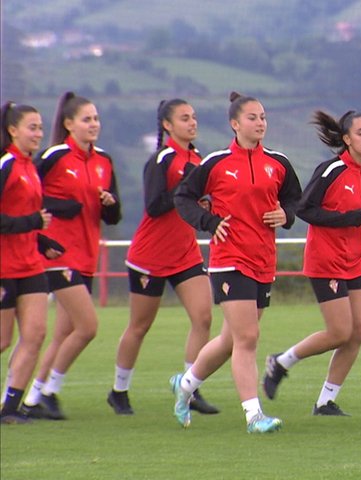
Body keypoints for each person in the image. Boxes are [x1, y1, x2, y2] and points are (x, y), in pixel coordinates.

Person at [170, 92, 301, 433]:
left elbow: (295, 199)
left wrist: (285, 213)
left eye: (263, 117)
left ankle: (183, 387)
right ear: (235, 123)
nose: (260, 123)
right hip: (230, 260)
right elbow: (182, 196)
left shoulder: (278, 163)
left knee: (231, 341)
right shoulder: (216, 163)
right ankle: (254, 415)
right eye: (252, 117)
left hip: (263, 260)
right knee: (248, 337)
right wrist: (209, 222)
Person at [107, 99, 217, 416]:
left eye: (194, 117)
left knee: (204, 318)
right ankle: (119, 391)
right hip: (150, 257)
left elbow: (192, 203)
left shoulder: (197, 158)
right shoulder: (162, 159)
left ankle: (190, 388)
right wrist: (188, 192)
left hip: (184, 254)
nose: (192, 122)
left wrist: (203, 205)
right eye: (184, 118)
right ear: (167, 125)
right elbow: (155, 205)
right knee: (140, 326)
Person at [263, 110, 361, 416]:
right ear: (346, 139)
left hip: (353, 262)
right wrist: (344, 219)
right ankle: (281, 362)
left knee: (359, 330)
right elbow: (304, 209)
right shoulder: (332, 170)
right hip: (326, 261)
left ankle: (326, 401)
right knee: (340, 332)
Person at [21, 92, 121, 420]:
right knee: (88, 326)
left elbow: (113, 216)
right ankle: (49, 391)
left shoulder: (104, 161)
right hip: (58, 254)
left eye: (96, 119)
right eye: (86, 119)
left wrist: (110, 203)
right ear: (68, 124)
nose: (94, 125)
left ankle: (34, 399)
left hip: (87, 255)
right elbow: (26, 193)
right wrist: (60, 208)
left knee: (65, 333)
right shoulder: (54, 156)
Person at [0, 102, 63, 424]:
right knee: (3, 339)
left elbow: (29, 220)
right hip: (3, 266)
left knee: (36, 334)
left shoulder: (30, 168)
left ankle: (9, 408)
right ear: (13, 130)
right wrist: (31, 222)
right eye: (32, 127)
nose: (38, 133)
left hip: (30, 265)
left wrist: (44, 242)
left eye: (40, 127)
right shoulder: (7, 164)